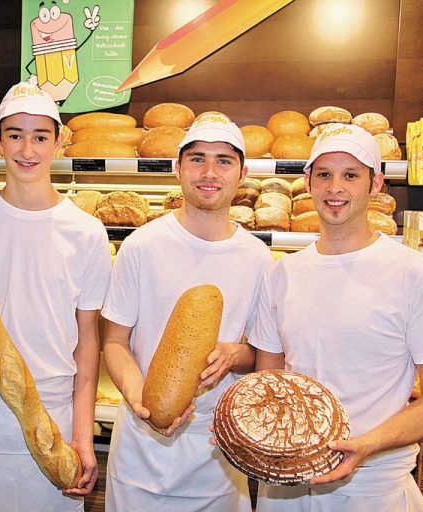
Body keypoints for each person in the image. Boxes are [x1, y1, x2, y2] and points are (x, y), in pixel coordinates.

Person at [249, 125, 423, 511]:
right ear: (308, 181)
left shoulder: (417, 274)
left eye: (351, 175)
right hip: (286, 483)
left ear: (376, 183)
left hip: (371, 484)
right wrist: (246, 432)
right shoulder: (281, 274)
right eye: (324, 174)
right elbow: (269, 382)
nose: (335, 188)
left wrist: (369, 443)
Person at [0, 81, 112, 512]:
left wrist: (82, 432)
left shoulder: (86, 232)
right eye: (15, 135)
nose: (27, 149)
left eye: (40, 137)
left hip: (54, 409)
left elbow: (87, 341)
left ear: (58, 142)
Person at [101, 112, 271, 511]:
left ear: (242, 173)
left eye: (223, 161)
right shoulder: (142, 245)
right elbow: (114, 342)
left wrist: (237, 354)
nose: (209, 172)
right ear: (178, 168)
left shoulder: (259, 259)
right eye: (197, 159)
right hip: (140, 449)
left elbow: (262, 357)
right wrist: (139, 397)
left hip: (216, 450)